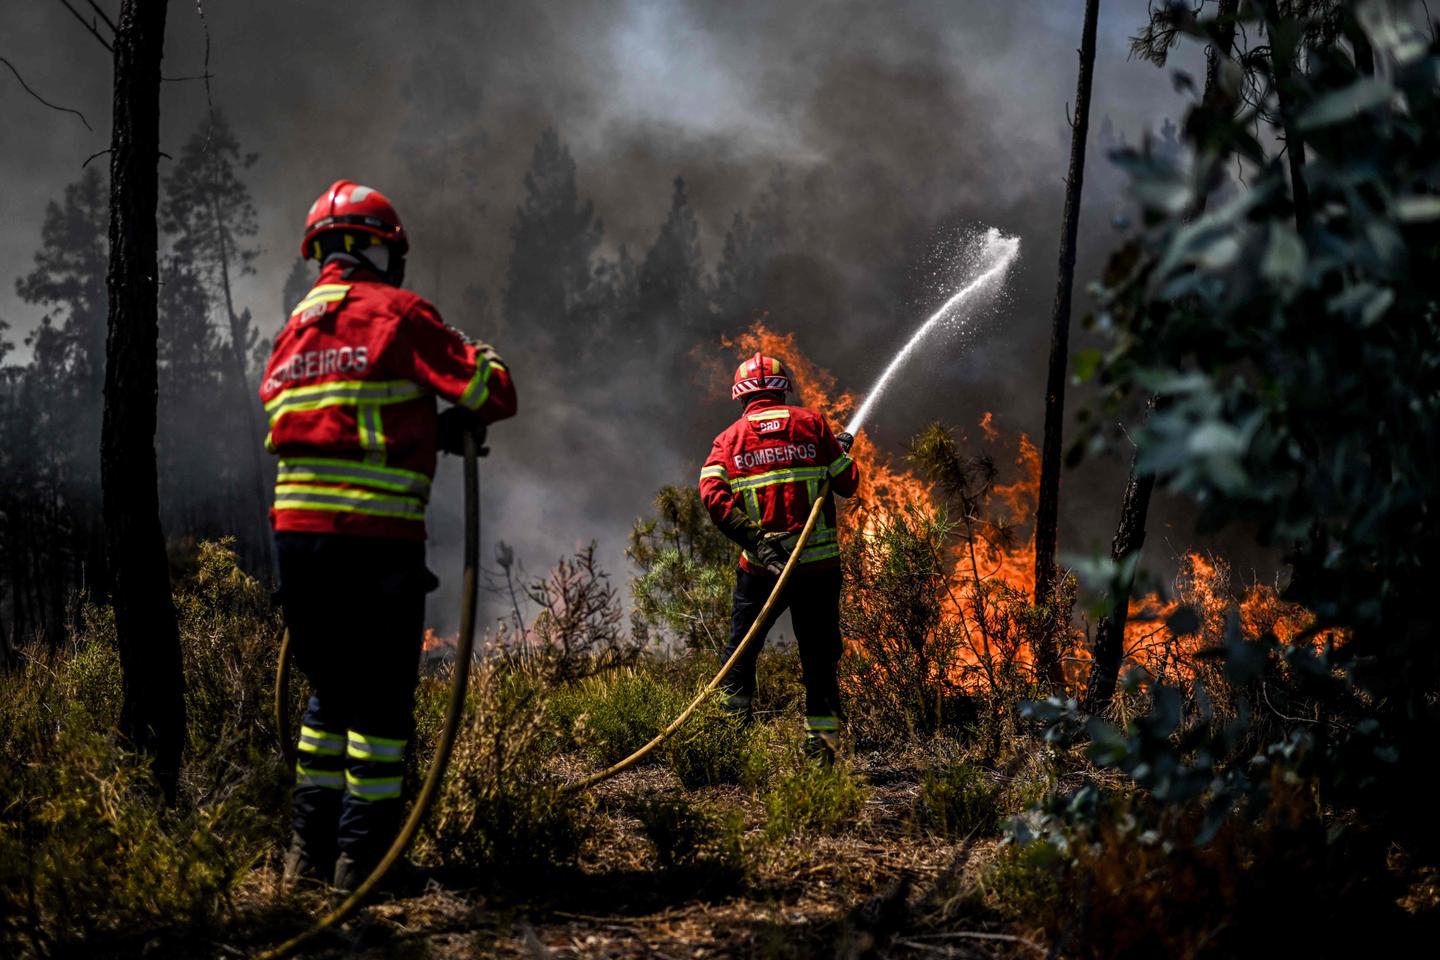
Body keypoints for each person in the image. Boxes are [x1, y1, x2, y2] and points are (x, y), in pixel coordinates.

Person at [259, 180, 516, 891]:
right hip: (372, 545)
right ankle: (363, 864)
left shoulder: (294, 331)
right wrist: (480, 358)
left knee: (327, 696)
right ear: (379, 248)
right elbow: (493, 394)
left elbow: (336, 424)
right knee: (379, 705)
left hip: (299, 544)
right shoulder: (397, 314)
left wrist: (424, 430)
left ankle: (305, 855)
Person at [698, 353, 859, 762]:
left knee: (741, 652)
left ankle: (730, 741)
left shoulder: (728, 441)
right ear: (782, 389)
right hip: (817, 570)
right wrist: (835, 452)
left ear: (740, 396)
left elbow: (713, 498)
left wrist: (755, 539)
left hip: (760, 570)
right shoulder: (813, 425)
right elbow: (848, 483)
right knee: (819, 656)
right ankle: (821, 750)